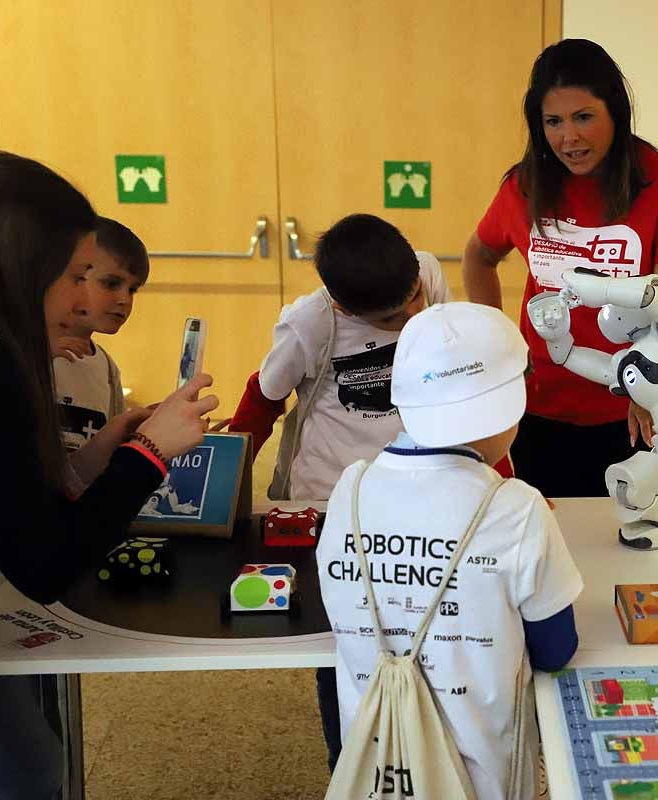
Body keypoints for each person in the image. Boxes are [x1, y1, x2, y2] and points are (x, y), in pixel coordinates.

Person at [0, 151, 218, 800]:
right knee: (31, 771)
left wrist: (103, 453)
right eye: (78, 276)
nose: (84, 301)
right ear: (19, 264)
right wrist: (149, 454)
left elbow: (8, 504)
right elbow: (45, 562)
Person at [318, 302, 581, 800]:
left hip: (376, 764)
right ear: (507, 405)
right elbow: (555, 650)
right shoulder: (516, 507)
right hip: (484, 779)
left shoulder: (349, 489)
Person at [226, 212, 453, 771]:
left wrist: (502, 480)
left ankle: (427, 754)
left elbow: (455, 378)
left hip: (419, 486)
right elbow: (263, 399)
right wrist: (222, 489)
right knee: (346, 641)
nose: (414, 315)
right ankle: (348, 760)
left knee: (426, 623)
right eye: (395, 318)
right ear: (345, 309)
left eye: (415, 298)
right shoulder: (309, 322)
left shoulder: (426, 273)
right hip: (331, 499)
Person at [463, 38, 658, 498]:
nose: (568, 138)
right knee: (548, 539)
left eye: (583, 117)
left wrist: (646, 393)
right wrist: (499, 340)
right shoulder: (524, 186)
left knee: (629, 540)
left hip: (631, 406)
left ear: (614, 111)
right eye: (553, 122)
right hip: (538, 402)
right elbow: (479, 255)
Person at [52, 217, 148, 456]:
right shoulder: (22, 353)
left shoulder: (106, 368)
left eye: (132, 289)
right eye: (111, 284)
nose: (124, 299)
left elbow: (111, 449)